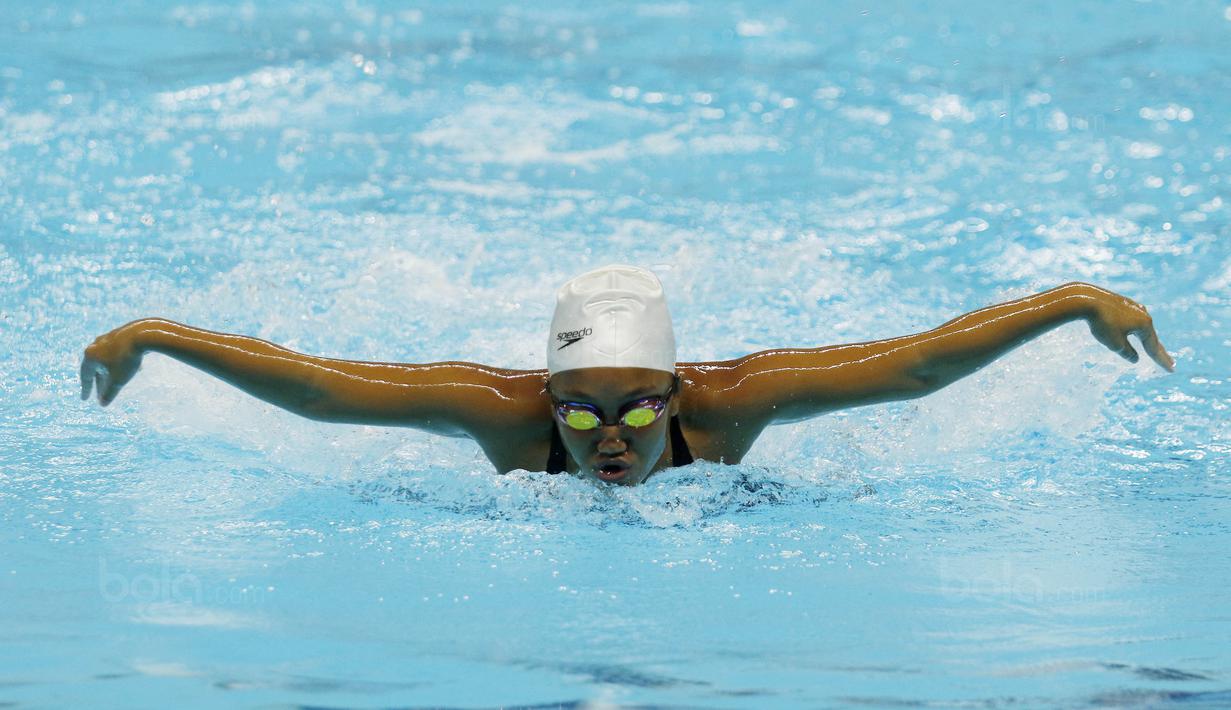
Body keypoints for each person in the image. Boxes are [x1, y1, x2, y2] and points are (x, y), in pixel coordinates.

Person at [81, 265, 1174, 485]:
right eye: (585, 412)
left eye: (643, 407)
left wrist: (1071, 301)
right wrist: (157, 332)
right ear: (545, 397)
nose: (613, 436)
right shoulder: (501, 415)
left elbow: (913, 371)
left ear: (680, 394)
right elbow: (324, 388)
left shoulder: (733, 399)